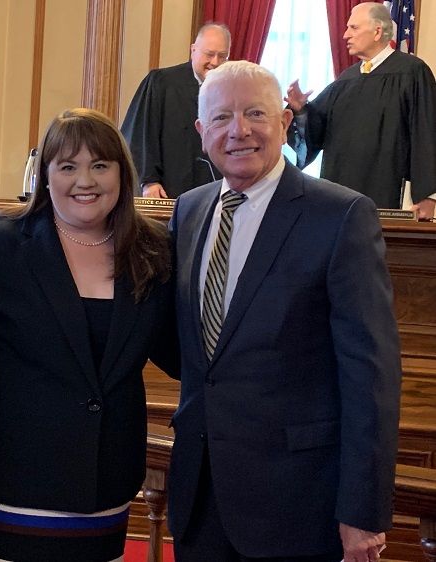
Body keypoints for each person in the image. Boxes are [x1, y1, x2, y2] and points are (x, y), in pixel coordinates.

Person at [168, 61, 401, 562]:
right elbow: (192, 351)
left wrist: (362, 510)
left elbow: (370, 375)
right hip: (200, 499)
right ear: (201, 130)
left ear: (284, 121)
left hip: (297, 504)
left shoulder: (340, 215)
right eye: (222, 117)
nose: (239, 130)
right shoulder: (188, 210)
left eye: (256, 113)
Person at [0, 108, 177, 562]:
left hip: (108, 482)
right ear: (45, 175)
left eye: (100, 165)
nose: (85, 180)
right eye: (67, 166)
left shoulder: (153, 249)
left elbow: (177, 351)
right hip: (17, 479)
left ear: (122, 173)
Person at [285, 2, 436, 218]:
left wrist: (427, 195)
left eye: (354, 28)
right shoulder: (346, 80)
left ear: (377, 32)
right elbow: (315, 131)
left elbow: (427, 133)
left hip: (388, 196)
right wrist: (301, 111)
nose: (345, 35)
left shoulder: (412, 72)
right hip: (339, 199)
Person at [121, 23, 231, 199]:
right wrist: (148, 181)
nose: (215, 62)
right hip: (167, 192)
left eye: (222, 56)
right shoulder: (162, 83)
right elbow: (140, 134)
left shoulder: (232, 91)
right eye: (209, 54)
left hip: (214, 194)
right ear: (193, 50)